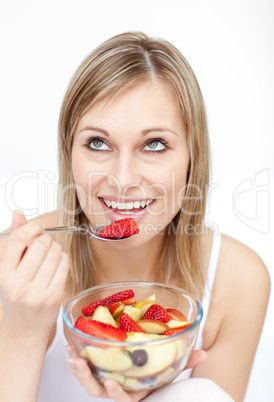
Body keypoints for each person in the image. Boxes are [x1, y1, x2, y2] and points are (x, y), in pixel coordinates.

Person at [0, 32, 270, 402]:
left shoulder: (238, 279)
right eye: (98, 143)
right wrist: (21, 331)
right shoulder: (16, 269)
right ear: (69, 152)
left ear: (193, 156)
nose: (123, 180)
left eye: (154, 145)